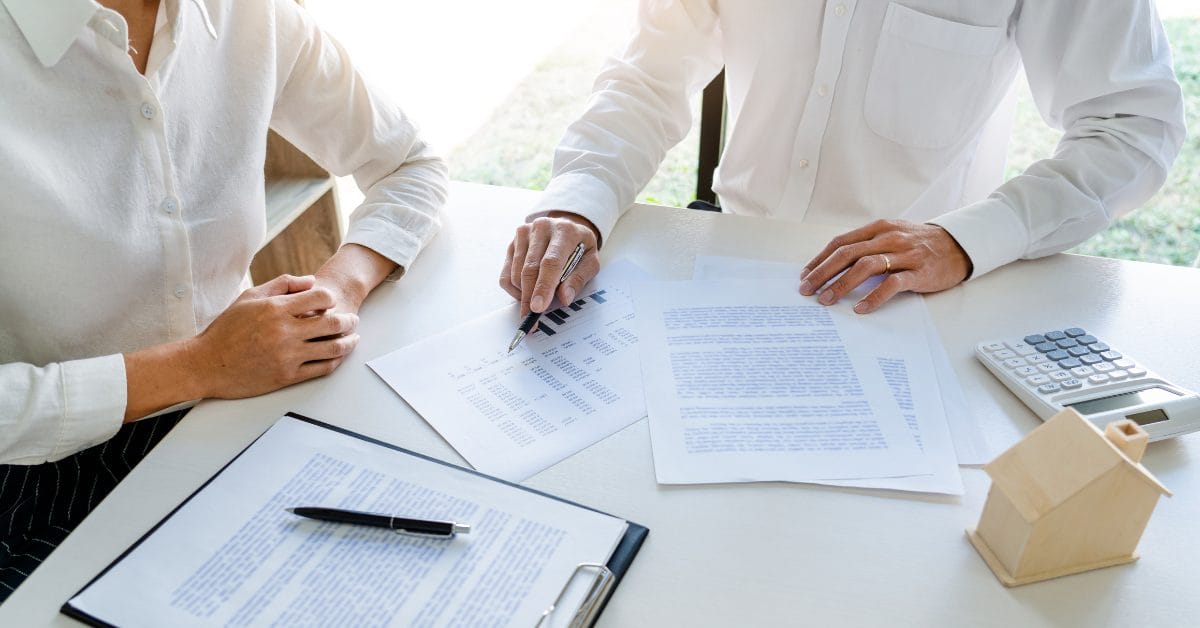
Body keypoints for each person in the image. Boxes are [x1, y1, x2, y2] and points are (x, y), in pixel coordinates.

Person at [0, 0, 447, 595]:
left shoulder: (249, 13)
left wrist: (337, 288)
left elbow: (409, 163)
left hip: (250, 404)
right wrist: (201, 365)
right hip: (39, 471)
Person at [500, 0, 1185, 316]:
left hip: (915, 298)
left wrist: (969, 238)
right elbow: (648, 76)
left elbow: (1133, 126)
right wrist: (578, 198)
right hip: (729, 274)